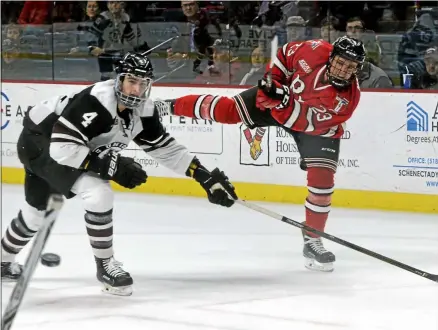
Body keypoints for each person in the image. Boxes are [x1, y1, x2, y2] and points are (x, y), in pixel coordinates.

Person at [0, 52, 238, 296]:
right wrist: (108, 165)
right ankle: (105, 266)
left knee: (34, 216)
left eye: (143, 84)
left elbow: (164, 148)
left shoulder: (143, 110)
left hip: (48, 146)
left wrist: (203, 176)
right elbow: (62, 147)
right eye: (132, 81)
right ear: (119, 80)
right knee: (98, 191)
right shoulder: (97, 102)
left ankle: (2, 260)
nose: (136, 90)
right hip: (40, 142)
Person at [156, 36, 366, 272]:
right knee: (227, 110)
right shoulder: (314, 49)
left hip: (314, 128)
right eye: (341, 61)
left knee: (323, 184)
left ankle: (313, 238)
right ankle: (168, 106)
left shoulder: (347, 99)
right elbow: (285, 54)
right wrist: (274, 82)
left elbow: (303, 123)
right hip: (284, 101)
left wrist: (281, 100)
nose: (344, 69)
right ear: (331, 57)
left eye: (351, 66)